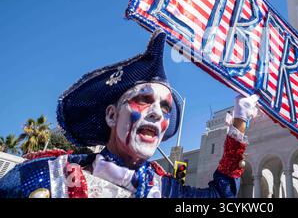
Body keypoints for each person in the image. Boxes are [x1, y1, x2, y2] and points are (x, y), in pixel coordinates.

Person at [0, 29, 259, 198]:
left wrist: (240, 118)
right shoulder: (45, 175)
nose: (157, 114)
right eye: (144, 100)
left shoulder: (166, 190)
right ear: (112, 115)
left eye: (165, 107)